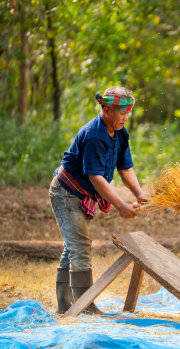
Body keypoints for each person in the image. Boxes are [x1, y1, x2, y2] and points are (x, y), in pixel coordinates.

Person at [49, 86, 149, 315]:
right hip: (66, 193)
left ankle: (65, 305)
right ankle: (86, 305)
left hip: (81, 193)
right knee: (80, 247)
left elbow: (125, 168)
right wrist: (120, 205)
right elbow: (96, 179)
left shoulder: (121, 133)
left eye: (128, 112)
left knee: (72, 248)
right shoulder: (95, 136)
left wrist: (139, 194)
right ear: (105, 110)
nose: (125, 117)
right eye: (121, 113)